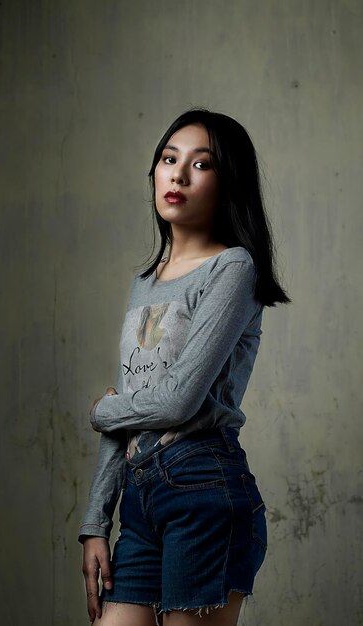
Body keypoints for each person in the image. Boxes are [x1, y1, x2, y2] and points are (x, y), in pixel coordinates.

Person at [79, 108, 290, 626]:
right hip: (141, 497)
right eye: (170, 159)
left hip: (203, 487)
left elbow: (176, 401)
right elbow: (129, 413)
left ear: (227, 183)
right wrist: (95, 523)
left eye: (201, 164)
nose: (178, 173)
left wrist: (105, 408)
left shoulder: (233, 267)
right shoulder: (145, 282)